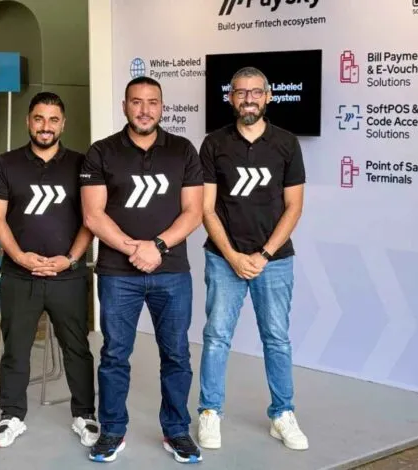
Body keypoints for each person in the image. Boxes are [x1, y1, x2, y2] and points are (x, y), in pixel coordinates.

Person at [80, 76, 204, 463]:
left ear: (162, 107)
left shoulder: (183, 150)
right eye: (137, 102)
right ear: (124, 106)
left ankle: (177, 431)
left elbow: (194, 211)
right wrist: (135, 249)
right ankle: (112, 431)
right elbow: (92, 214)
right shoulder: (101, 152)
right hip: (118, 273)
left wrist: (159, 247)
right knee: (115, 354)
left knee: (177, 355)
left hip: (172, 272)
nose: (145, 109)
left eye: (152, 102)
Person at [196, 66, 309, 451]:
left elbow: (294, 207)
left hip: (274, 261)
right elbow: (206, 209)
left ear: (269, 96)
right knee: (215, 338)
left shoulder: (287, 143)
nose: (248, 99)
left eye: (255, 92)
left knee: (276, 339)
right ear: (230, 98)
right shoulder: (213, 144)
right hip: (223, 259)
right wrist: (231, 255)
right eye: (241, 92)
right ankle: (210, 413)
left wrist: (262, 254)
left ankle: (282, 414)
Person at [0, 91, 99, 449]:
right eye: (38, 118)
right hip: (20, 275)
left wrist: (72, 258)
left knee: (77, 347)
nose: (45, 126)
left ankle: (85, 414)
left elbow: (91, 219)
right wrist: (19, 256)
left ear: (63, 123)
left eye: (53, 120)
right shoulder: (6, 163)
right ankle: (11, 416)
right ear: (28, 122)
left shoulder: (83, 164)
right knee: (16, 348)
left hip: (68, 274)